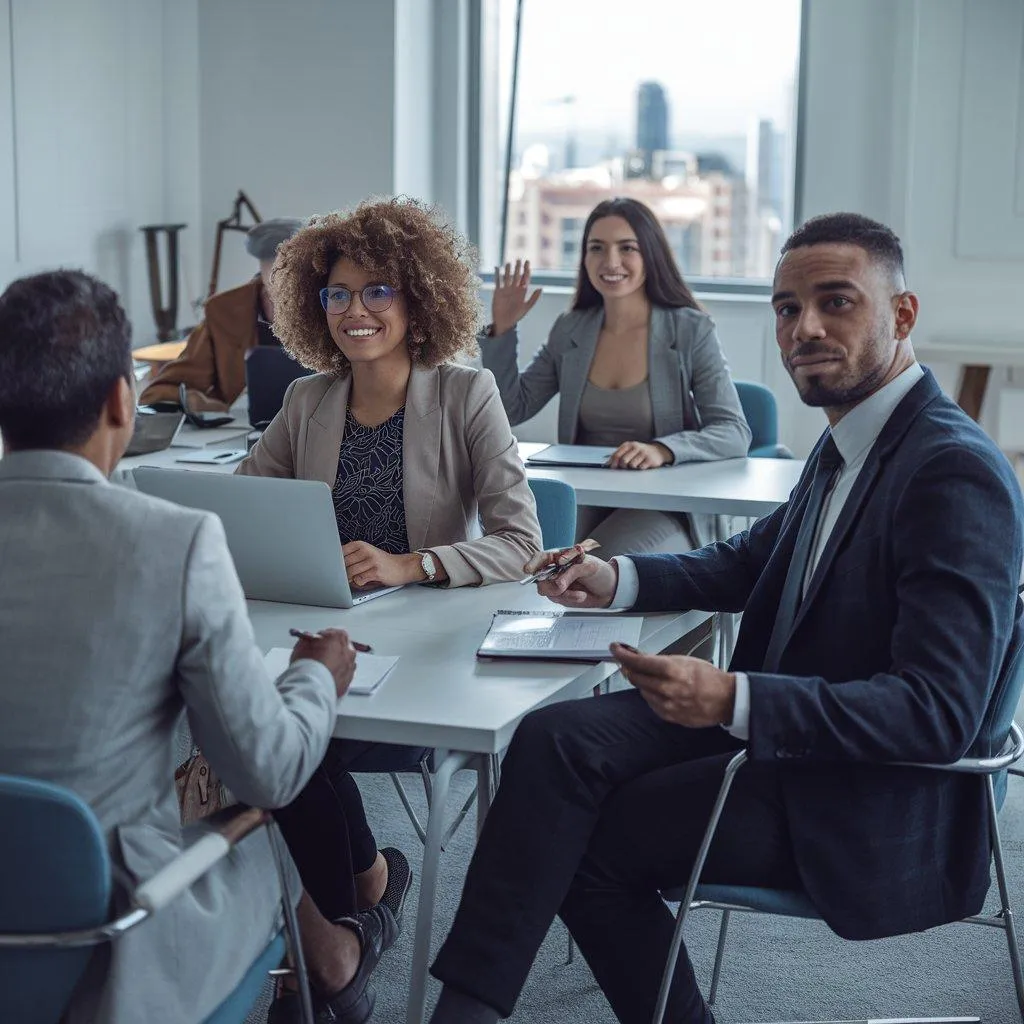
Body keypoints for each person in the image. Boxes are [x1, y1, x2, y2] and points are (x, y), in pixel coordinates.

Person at [427, 212, 1024, 1024]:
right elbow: (749, 563)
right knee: (553, 740)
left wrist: (734, 699)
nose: (803, 328)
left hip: (854, 784)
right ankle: (466, 1006)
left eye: (836, 302)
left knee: (586, 843)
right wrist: (617, 578)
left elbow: (938, 714)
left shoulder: (952, 473)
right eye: (786, 308)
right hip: (786, 718)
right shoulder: (854, 438)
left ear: (903, 315)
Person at [0, 270, 396, 1024]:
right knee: (260, 826)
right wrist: (316, 676)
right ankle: (337, 960)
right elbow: (268, 770)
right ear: (123, 400)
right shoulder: (170, 543)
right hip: (108, 938)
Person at [235, 196, 543, 970]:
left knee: (295, 738)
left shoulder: (467, 395)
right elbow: (242, 504)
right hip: (328, 632)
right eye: (336, 294)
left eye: (377, 291)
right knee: (263, 728)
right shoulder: (307, 401)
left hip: (428, 648)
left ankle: (344, 926)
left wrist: (415, 564)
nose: (355, 310)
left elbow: (522, 542)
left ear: (417, 298)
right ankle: (362, 898)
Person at [480, 197, 751, 556]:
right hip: (588, 495)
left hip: (663, 507)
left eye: (627, 248)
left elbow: (734, 432)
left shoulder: (689, 329)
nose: (611, 262)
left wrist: (663, 450)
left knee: (603, 565)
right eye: (597, 248)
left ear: (650, 255)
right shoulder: (571, 329)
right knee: (528, 556)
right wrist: (503, 328)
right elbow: (512, 410)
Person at [138, 217, 304, 412]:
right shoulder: (225, 311)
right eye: (272, 263)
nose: (282, 272)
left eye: (291, 263)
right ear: (261, 265)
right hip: (244, 434)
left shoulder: (330, 303)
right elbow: (162, 390)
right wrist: (196, 402)